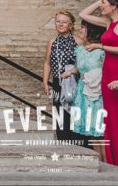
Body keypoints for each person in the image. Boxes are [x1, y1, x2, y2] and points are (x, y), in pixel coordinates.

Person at [80, 0, 118, 165]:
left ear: (114, 5)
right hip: (107, 74)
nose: (101, 5)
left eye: (104, 3)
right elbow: (83, 14)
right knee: (110, 119)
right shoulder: (107, 22)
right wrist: (100, 1)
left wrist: (100, 46)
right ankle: (114, 161)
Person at [66, 20, 107, 161]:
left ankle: (110, 164)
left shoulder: (103, 50)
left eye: (83, 27)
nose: (80, 30)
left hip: (99, 93)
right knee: (92, 132)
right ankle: (101, 164)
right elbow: (80, 67)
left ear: (92, 30)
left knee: (101, 131)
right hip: (83, 93)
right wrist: (71, 71)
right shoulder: (80, 49)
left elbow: (108, 70)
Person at [42, 10, 84, 143]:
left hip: (74, 83)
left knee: (73, 115)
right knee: (59, 115)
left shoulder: (79, 41)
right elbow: (47, 63)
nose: (60, 24)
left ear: (70, 25)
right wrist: (45, 82)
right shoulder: (52, 41)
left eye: (64, 22)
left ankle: (76, 146)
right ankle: (63, 145)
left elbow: (85, 64)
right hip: (57, 83)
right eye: (58, 21)